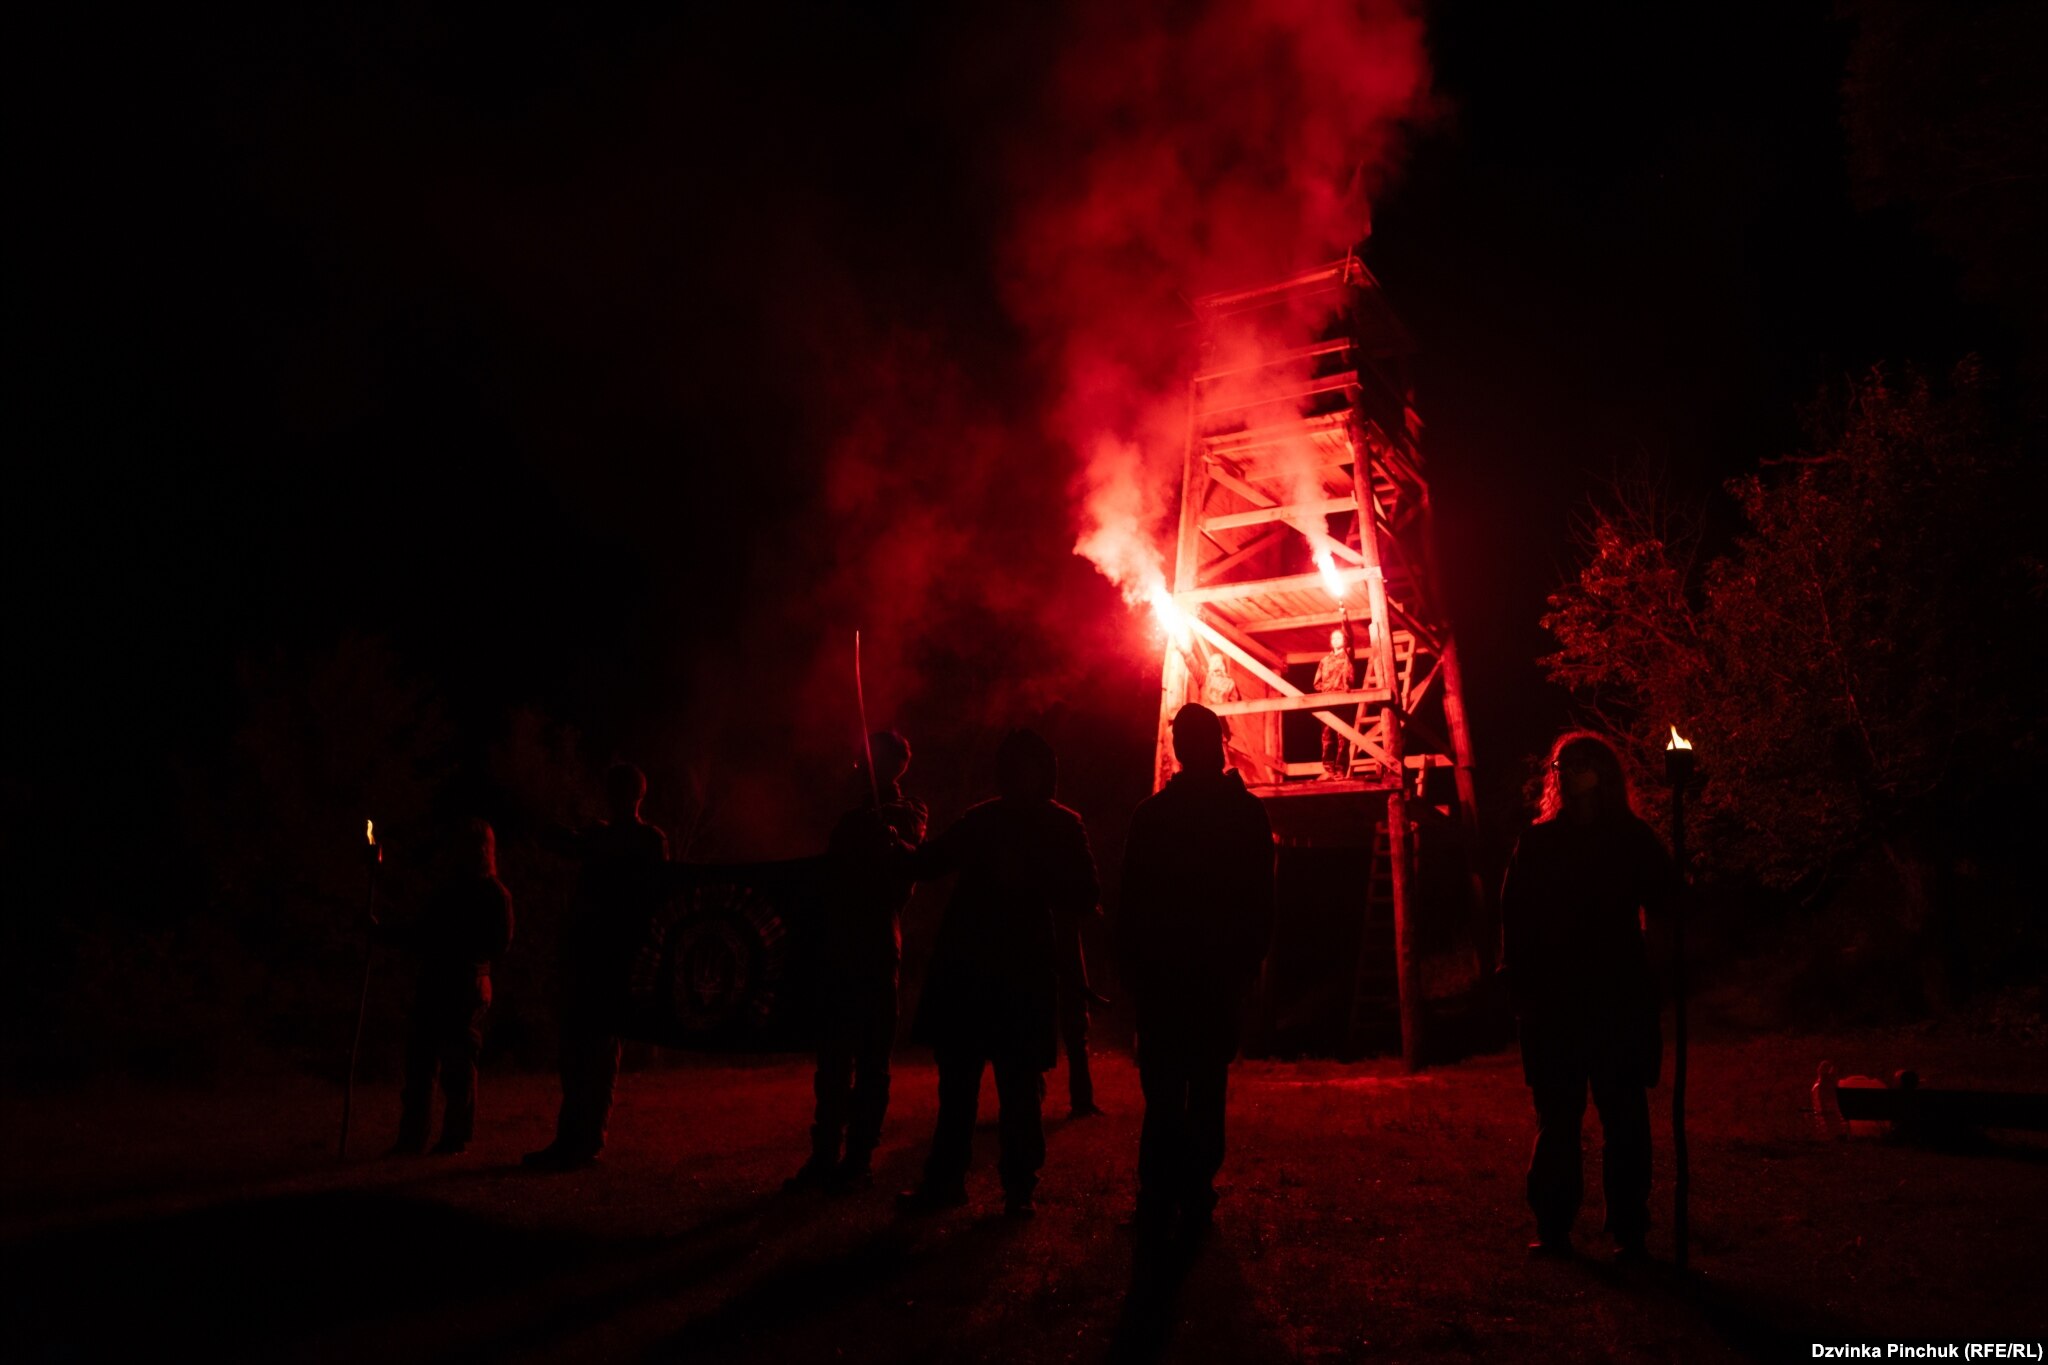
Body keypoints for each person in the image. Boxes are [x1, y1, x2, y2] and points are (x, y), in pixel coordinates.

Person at [896, 728, 1100, 1218]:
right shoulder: (982, 820)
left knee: (1020, 1090)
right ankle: (946, 1183)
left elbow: (1085, 895)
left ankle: (1018, 1190)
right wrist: (897, 843)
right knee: (958, 1091)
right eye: (1011, 766)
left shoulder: (1061, 827)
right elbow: (929, 865)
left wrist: (1034, 875)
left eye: (1026, 766)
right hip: (969, 971)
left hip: (1021, 974)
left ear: (1042, 773)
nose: (1017, 775)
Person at [1498, 731, 1679, 1259]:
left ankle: (1629, 1229)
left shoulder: (1629, 839)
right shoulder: (1538, 843)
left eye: (1580, 762)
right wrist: (1518, 983)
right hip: (1554, 1002)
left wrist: (1660, 966)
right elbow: (1514, 917)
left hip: (1616, 996)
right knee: (1557, 1117)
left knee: (1624, 1115)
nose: (1568, 771)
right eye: (1561, 763)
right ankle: (1553, 1227)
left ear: (1602, 770)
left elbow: (1666, 903)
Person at [1116, 703, 1275, 1235]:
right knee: (1202, 1085)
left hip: (1171, 975)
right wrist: (1248, 961)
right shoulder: (1243, 814)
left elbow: (1130, 902)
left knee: (1167, 1088)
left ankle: (1164, 1191)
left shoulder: (1154, 815)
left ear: (1187, 747)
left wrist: (1132, 968)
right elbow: (1260, 898)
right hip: (1207, 975)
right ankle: (1192, 1189)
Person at [787, 731, 929, 1193]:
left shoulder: (909, 813)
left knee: (871, 1060)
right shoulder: (850, 818)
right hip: (839, 948)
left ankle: (859, 1157)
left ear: (890, 765)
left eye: (868, 757)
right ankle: (824, 1154)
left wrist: (884, 831)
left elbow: (906, 862)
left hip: (877, 948)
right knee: (832, 1062)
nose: (856, 763)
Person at [524, 762, 672, 1171]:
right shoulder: (637, 839)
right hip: (597, 955)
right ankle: (574, 1139)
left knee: (595, 1052)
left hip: (610, 957)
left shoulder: (636, 840)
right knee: (580, 1052)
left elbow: (650, 892)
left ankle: (584, 1141)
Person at [388, 819, 515, 1156]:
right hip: (437, 981)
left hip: (466, 982)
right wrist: (385, 934)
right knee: (421, 1065)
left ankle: (454, 1137)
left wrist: (460, 946)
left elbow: (499, 944)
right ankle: (413, 1138)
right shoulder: (448, 891)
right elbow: (421, 934)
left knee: (457, 1066)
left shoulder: (493, 894)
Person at [1313, 613, 1357, 778]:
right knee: (1327, 735)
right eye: (1334, 638)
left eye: (1340, 637)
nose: (1337, 640)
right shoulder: (1324, 661)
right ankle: (1328, 764)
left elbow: (1349, 637)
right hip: (1327, 700)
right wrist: (1326, 688)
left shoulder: (1347, 655)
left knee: (1342, 736)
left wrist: (1344, 617)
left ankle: (1340, 766)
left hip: (1343, 700)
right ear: (1331, 642)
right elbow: (1316, 682)